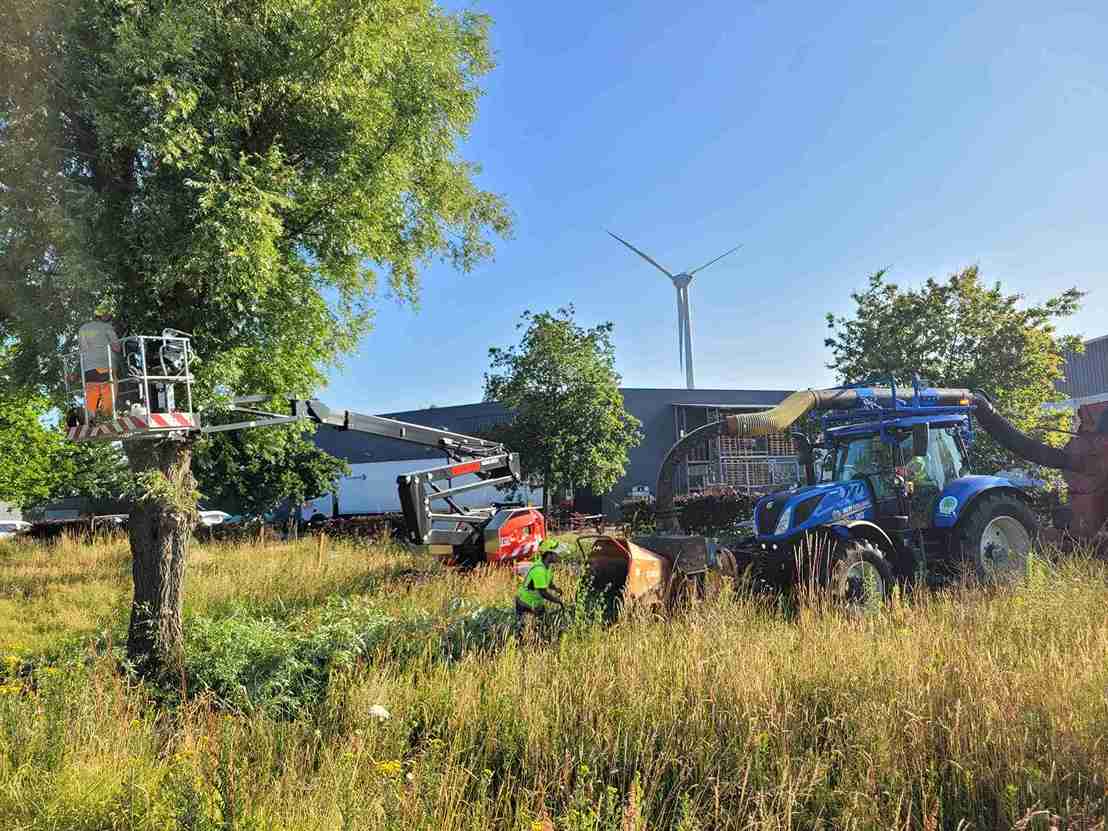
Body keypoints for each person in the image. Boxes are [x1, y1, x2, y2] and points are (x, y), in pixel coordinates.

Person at [77, 312, 121, 421]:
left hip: (87, 369)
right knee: (110, 387)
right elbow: (116, 348)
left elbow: (83, 348)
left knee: (92, 391)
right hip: (104, 365)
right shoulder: (107, 327)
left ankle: (91, 416)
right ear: (104, 318)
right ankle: (106, 415)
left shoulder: (83, 328)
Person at [515, 537, 566, 621]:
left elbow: (548, 582)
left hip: (536, 602)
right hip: (525, 602)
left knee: (543, 625)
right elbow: (543, 592)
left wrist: (555, 588)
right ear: (549, 555)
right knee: (527, 630)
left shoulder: (547, 566)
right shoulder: (539, 571)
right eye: (556, 554)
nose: (559, 556)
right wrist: (557, 601)